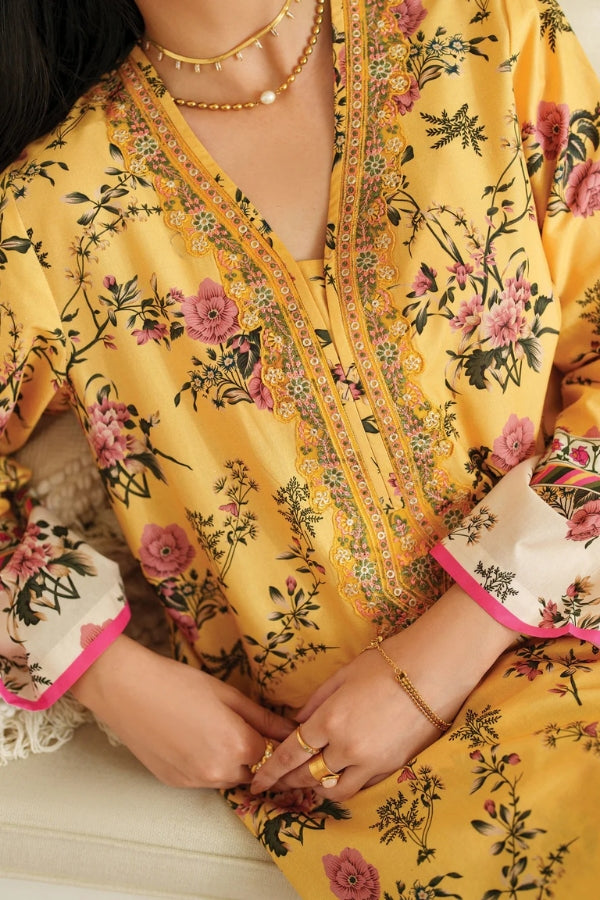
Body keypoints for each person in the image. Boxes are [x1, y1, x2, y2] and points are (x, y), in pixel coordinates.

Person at [0, 0, 599, 895]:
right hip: (374, 783)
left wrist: (447, 647)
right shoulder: (53, 208)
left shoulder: (487, 32)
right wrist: (101, 668)